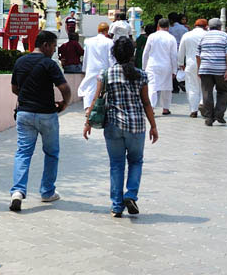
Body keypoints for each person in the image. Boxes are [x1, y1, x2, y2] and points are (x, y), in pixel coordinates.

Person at [83, 36, 159, 217]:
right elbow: (146, 103)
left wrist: (87, 123)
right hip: (136, 126)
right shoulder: (141, 75)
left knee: (116, 165)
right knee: (136, 161)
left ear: (114, 54)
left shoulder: (106, 73)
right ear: (132, 54)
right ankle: (131, 194)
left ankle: (117, 206)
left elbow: (96, 98)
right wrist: (153, 126)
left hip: (113, 125)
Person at [9, 30, 72, 211]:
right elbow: (65, 89)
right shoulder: (49, 64)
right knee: (51, 153)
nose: (54, 50)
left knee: (23, 153)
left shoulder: (20, 62)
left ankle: (18, 192)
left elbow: (14, 89)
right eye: (53, 46)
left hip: (24, 114)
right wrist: (65, 104)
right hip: (46, 115)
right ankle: (47, 192)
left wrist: (28, 97)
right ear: (45, 45)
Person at [196, 17, 227, 125]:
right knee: (223, 91)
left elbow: (197, 55)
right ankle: (219, 114)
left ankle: (209, 117)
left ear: (208, 27)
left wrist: (199, 69)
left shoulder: (203, 36)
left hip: (205, 68)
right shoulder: (225, 36)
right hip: (220, 69)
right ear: (220, 27)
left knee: (207, 92)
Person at [142, 18, 179, 115]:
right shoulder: (171, 38)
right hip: (166, 65)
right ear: (168, 27)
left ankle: (152, 108)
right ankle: (165, 108)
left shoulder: (152, 36)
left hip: (152, 65)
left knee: (152, 87)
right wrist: (174, 70)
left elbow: (145, 53)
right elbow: (174, 56)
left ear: (158, 26)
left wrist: (144, 67)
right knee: (167, 87)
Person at [78, 22, 114, 108]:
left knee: (89, 89)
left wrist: (84, 69)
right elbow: (110, 58)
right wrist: (113, 69)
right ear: (106, 31)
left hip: (91, 68)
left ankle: (87, 109)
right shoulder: (109, 42)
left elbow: (85, 56)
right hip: (104, 69)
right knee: (103, 90)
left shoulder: (88, 41)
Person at [178, 18, 208, 117]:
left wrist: (181, 63)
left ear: (195, 25)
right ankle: (202, 103)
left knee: (191, 87)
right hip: (205, 64)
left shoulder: (187, 35)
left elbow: (181, 51)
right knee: (205, 86)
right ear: (206, 26)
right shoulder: (207, 35)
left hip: (191, 64)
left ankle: (193, 110)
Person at [168, 14, 189, 91]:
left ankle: (175, 86)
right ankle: (183, 82)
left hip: (173, 50)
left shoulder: (170, 29)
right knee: (182, 66)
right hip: (183, 49)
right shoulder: (185, 29)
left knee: (174, 68)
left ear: (171, 20)